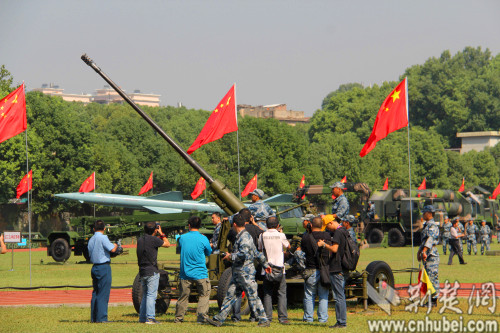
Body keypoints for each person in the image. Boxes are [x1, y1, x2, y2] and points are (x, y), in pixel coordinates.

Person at [207, 213, 271, 327]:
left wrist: (230, 256)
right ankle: (219, 319)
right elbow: (256, 252)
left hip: (245, 273)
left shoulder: (244, 237)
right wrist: (266, 265)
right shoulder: (243, 236)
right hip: (238, 272)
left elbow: (243, 254)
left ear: (235, 224)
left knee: (252, 295)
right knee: (230, 295)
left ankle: (263, 319)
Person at [175, 216, 212, 323]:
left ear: (189, 225)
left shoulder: (182, 238)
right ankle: (201, 318)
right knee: (204, 295)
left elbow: (180, 243)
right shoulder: (203, 238)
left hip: (185, 273)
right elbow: (208, 252)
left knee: (183, 296)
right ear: (200, 226)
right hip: (200, 273)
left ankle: (179, 318)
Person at [258, 216, 290, 324]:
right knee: (281, 293)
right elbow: (288, 246)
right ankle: (283, 318)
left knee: (267, 293)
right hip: (280, 268)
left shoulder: (262, 235)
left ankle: (268, 317)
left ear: (266, 225)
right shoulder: (281, 235)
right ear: (277, 225)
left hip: (267, 268)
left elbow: (260, 249)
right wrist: (280, 233)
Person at [137, 222, 171, 324]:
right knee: (152, 295)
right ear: (155, 230)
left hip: (142, 270)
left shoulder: (140, 239)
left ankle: (142, 318)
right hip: (151, 270)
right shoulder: (154, 239)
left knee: (145, 295)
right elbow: (167, 244)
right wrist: (161, 233)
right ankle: (150, 318)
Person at [318, 216, 348, 329]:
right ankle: (341, 321)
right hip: (343, 267)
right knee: (341, 295)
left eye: (328, 226)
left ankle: (341, 322)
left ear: (331, 223)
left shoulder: (337, 233)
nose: (328, 229)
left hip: (337, 267)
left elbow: (335, 249)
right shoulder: (344, 230)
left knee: (339, 296)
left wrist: (324, 245)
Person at [300, 216, 331, 323]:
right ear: (322, 226)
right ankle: (322, 319)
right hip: (324, 270)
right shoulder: (327, 235)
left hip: (310, 269)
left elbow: (302, 251)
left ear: (311, 225)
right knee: (323, 296)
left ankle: (308, 318)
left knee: (309, 295)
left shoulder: (306, 237)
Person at [88, 220, 118, 323]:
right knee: (103, 294)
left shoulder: (91, 239)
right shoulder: (103, 237)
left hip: (94, 267)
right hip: (103, 267)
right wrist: (116, 244)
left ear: (93, 229)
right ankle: (102, 318)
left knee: (95, 293)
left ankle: (94, 318)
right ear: (104, 228)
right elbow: (112, 249)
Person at [417, 205, 440, 305]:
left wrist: (424, 250)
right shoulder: (426, 225)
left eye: (424, 212)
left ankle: (433, 300)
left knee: (432, 276)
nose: (423, 214)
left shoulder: (433, 226)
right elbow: (423, 241)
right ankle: (430, 298)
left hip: (431, 254)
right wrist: (420, 252)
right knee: (427, 276)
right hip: (426, 253)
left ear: (429, 214)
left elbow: (430, 239)